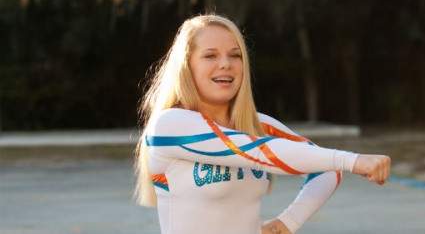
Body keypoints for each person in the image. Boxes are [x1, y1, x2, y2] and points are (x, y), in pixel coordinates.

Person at [134, 14, 391, 234]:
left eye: (235, 55)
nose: (225, 63)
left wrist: (287, 222)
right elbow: (257, 152)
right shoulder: (170, 126)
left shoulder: (258, 126)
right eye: (210, 56)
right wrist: (353, 160)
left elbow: (324, 168)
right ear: (186, 67)